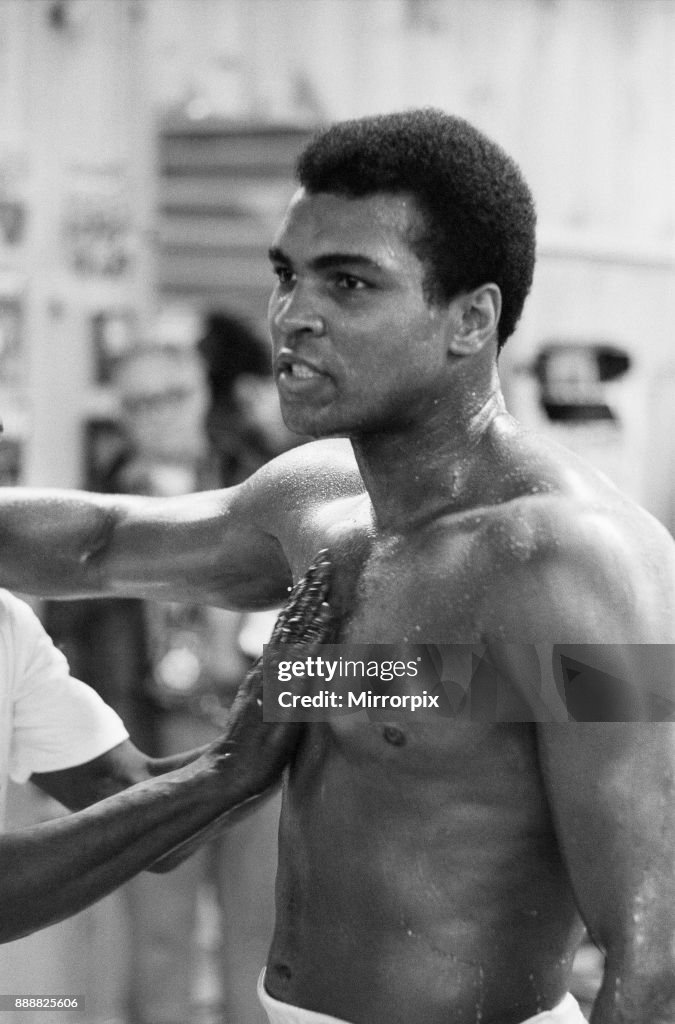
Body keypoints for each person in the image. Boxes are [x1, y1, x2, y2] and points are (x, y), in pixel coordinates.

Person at [0, 109, 674, 1024]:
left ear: (470, 319)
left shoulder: (575, 564)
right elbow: (101, 541)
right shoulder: (313, 504)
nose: (293, 315)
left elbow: (654, 945)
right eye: (286, 275)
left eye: (348, 282)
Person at [0, 555, 332, 946]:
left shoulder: (9, 624)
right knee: (164, 931)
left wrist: (268, 733)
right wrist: (229, 767)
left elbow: (131, 793)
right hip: (174, 710)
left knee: (253, 927)